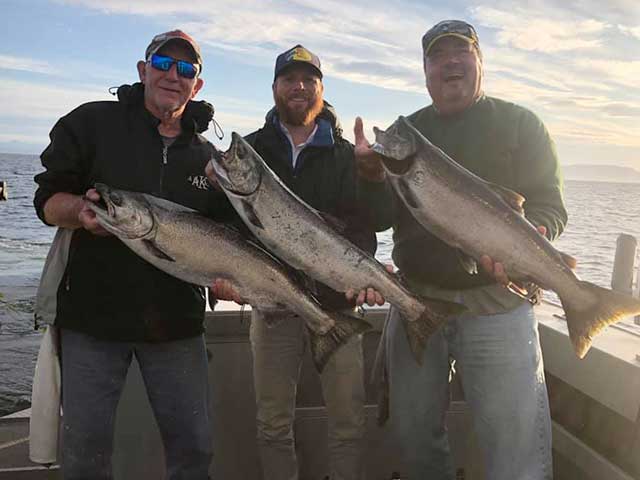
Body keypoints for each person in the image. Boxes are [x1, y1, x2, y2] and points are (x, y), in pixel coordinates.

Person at [354, 20, 568, 480]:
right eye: (438, 55)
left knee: (516, 450)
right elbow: (378, 218)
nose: (450, 61)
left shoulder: (521, 124)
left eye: (461, 51)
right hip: (416, 301)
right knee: (412, 439)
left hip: (499, 304)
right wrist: (372, 177)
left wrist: (534, 241)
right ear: (425, 70)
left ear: (478, 62)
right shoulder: (404, 134)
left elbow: (551, 207)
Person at [33, 30, 232, 479]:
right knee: (84, 453)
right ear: (143, 71)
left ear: (196, 85)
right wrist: (79, 211)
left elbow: (227, 238)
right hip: (92, 321)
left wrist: (225, 280)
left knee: (195, 450)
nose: (172, 76)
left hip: (177, 325)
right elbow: (47, 201)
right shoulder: (91, 124)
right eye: (163, 64)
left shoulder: (207, 158)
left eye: (186, 70)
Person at [208, 45, 391, 480]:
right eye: (290, 78)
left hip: (339, 305)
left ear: (322, 91)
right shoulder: (246, 152)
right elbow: (224, 230)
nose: (299, 86)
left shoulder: (348, 156)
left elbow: (374, 223)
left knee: (347, 423)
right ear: (274, 88)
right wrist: (222, 270)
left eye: (309, 79)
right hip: (272, 307)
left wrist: (361, 271)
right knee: (272, 424)